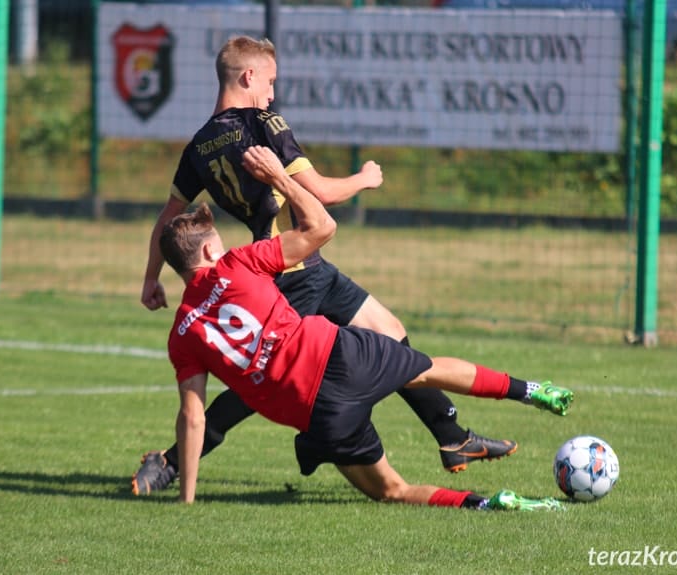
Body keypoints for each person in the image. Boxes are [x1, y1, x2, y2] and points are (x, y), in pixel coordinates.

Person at [132, 35, 518, 496]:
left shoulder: (198, 147)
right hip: (290, 269)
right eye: (270, 81)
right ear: (248, 77)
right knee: (256, 386)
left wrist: (152, 277)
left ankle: (452, 436)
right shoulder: (261, 121)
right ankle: (171, 463)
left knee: (389, 330)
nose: (273, 93)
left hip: (304, 265)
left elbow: (167, 217)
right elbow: (320, 193)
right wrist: (365, 178)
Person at [160, 145, 573, 511]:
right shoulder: (239, 263)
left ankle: (492, 503)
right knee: (424, 369)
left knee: (392, 491)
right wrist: (278, 178)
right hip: (342, 354)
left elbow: (193, 418)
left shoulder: (182, 335)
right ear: (213, 249)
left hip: (321, 413)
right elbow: (322, 227)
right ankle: (532, 390)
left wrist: (188, 500)